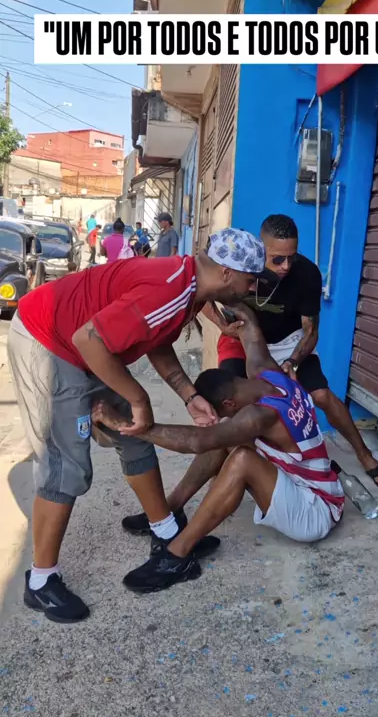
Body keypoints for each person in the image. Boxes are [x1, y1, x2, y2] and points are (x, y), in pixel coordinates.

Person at [7, 228, 267, 623]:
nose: (252, 289)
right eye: (251, 280)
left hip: (83, 341)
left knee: (135, 434)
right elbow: (89, 340)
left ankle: (164, 531)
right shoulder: (171, 289)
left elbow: (155, 337)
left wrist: (188, 394)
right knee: (67, 463)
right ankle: (41, 581)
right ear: (228, 273)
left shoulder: (190, 289)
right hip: (49, 339)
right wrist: (139, 398)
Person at [93, 301, 345, 593]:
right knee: (225, 437)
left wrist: (126, 424)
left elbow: (197, 442)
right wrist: (226, 304)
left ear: (229, 403)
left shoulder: (259, 416)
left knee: (240, 458)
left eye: (221, 412)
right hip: (307, 484)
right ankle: (171, 510)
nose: (221, 416)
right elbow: (249, 323)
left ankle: (177, 556)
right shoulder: (266, 372)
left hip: (316, 511)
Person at [202, 215, 378, 490]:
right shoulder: (239, 262)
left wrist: (293, 361)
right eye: (277, 259)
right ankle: (232, 471)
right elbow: (201, 295)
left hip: (288, 342)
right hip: (241, 338)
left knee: (321, 395)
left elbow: (310, 330)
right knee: (230, 403)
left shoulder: (306, 273)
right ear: (261, 249)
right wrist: (223, 326)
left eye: (291, 257)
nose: (285, 266)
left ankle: (365, 456)